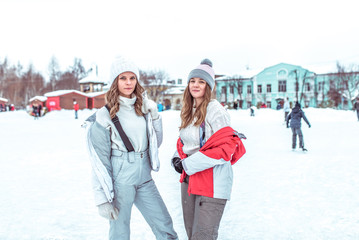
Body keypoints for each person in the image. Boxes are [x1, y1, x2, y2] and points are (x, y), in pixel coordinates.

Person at [83, 56, 178, 240]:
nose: (128, 83)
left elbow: (155, 145)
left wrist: (155, 117)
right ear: (114, 82)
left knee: (164, 225)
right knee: (120, 232)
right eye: (123, 78)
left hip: (144, 176)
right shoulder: (104, 115)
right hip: (121, 179)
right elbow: (99, 161)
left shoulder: (143, 108)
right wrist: (102, 199)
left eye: (132, 78)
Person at [171, 59, 246, 239]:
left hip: (212, 182)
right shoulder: (190, 110)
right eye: (193, 80)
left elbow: (225, 149)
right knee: (192, 235)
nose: (196, 85)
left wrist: (187, 164)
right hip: (190, 180)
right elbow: (186, 143)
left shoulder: (215, 110)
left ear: (209, 86)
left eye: (202, 81)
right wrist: (176, 158)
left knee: (203, 236)